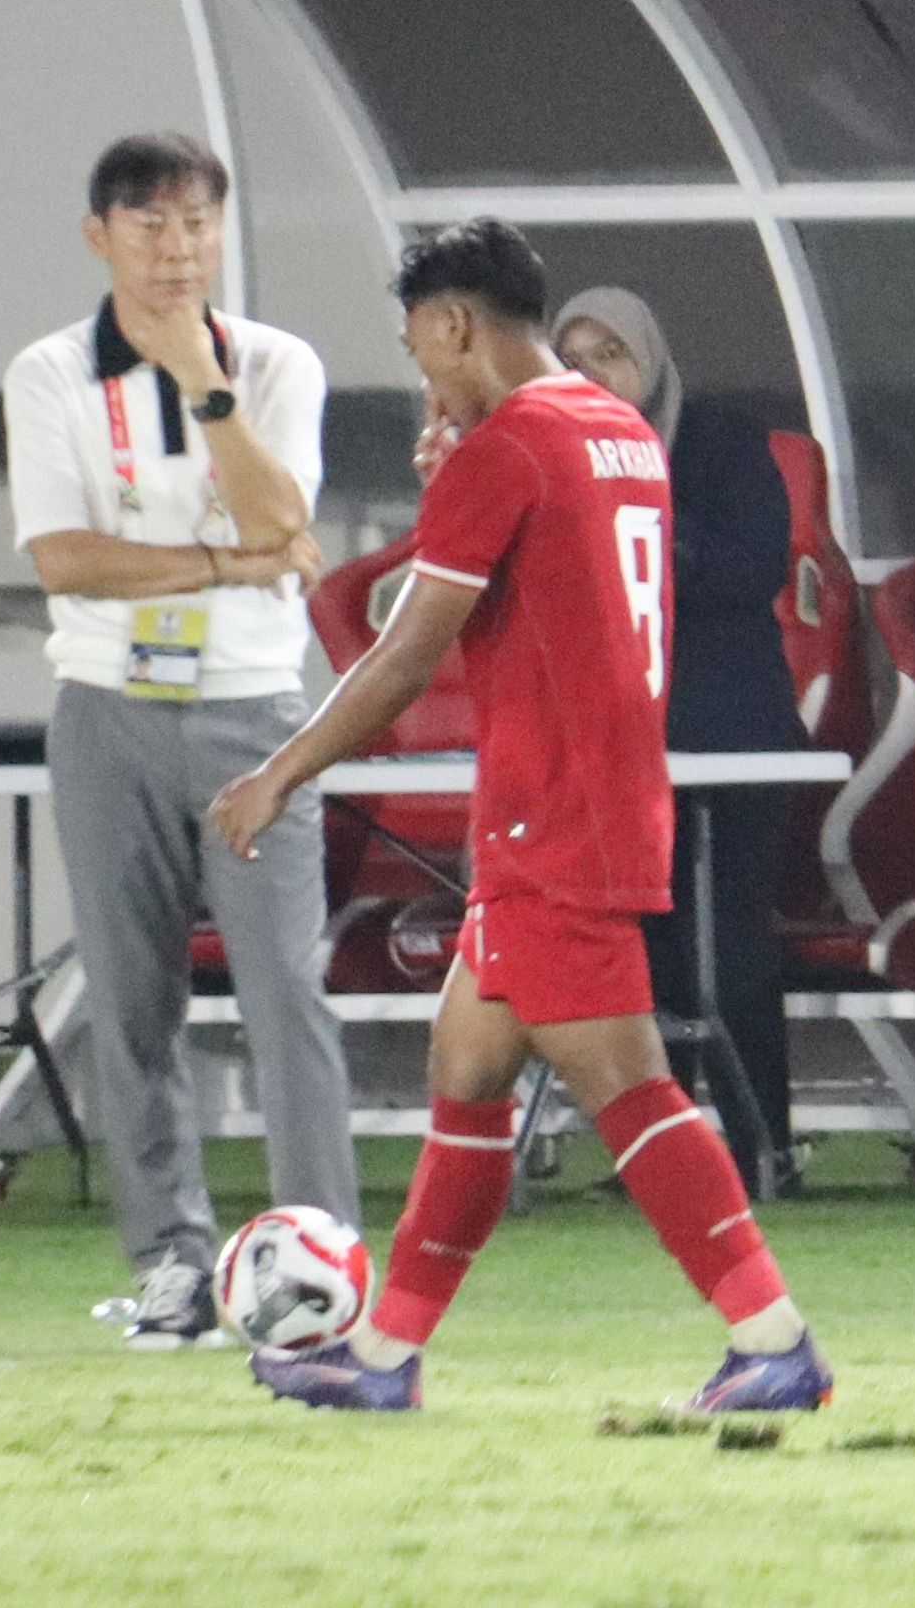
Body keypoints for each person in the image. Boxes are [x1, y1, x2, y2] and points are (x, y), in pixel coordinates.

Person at [212, 219, 831, 1418]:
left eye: (419, 348)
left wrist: (280, 773)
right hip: (586, 807)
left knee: (634, 1090)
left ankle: (774, 1336)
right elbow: (556, 595)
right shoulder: (616, 430)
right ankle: (382, 1360)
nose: (423, 376)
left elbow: (402, 657)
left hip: (556, 824)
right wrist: (460, 479)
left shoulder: (510, 449)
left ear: (453, 324)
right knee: (469, 1070)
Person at [4, 131, 347, 1350]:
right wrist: (227, 564)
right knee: (130, 995)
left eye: (197, 220)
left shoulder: (274, 363)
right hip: (106, 712)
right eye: (148, 222)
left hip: (255, 713)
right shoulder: (48, 373)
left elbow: (286, 519)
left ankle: (314, 1258)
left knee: (284, 991)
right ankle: (170, 1264)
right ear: (98, 234)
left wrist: (203, 385)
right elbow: (66, 564)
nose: (176, 245)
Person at [552, 287, 812, 1198]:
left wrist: (634, 509)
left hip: (732, 729)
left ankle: (759, 1150)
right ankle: (658, 1161)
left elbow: (752, 570)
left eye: (609, 355)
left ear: (650, 360)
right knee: (644, 950)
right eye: (572, 358)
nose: (591, 376)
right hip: (616, 739)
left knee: (730, 942)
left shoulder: (721, 445)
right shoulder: (548, 457)